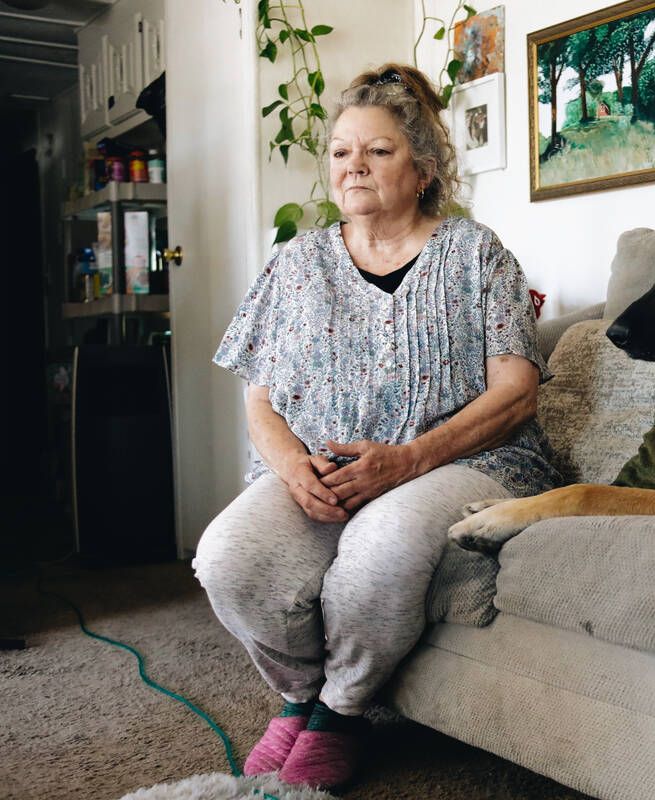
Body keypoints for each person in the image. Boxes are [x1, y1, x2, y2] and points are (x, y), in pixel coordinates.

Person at [192, 63, 558, 791]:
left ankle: (342, 711)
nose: (352, 165)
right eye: (339, 151)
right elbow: (260, 401)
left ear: (423, 169)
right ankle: (302, 694)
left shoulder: (475, 253)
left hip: (463, 462)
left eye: (378, 151)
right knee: (228, 557)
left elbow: (517, 395)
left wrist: (410, 459)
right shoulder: (295, 264)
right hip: (321, 469)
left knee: (382, 545)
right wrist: (292, 468)